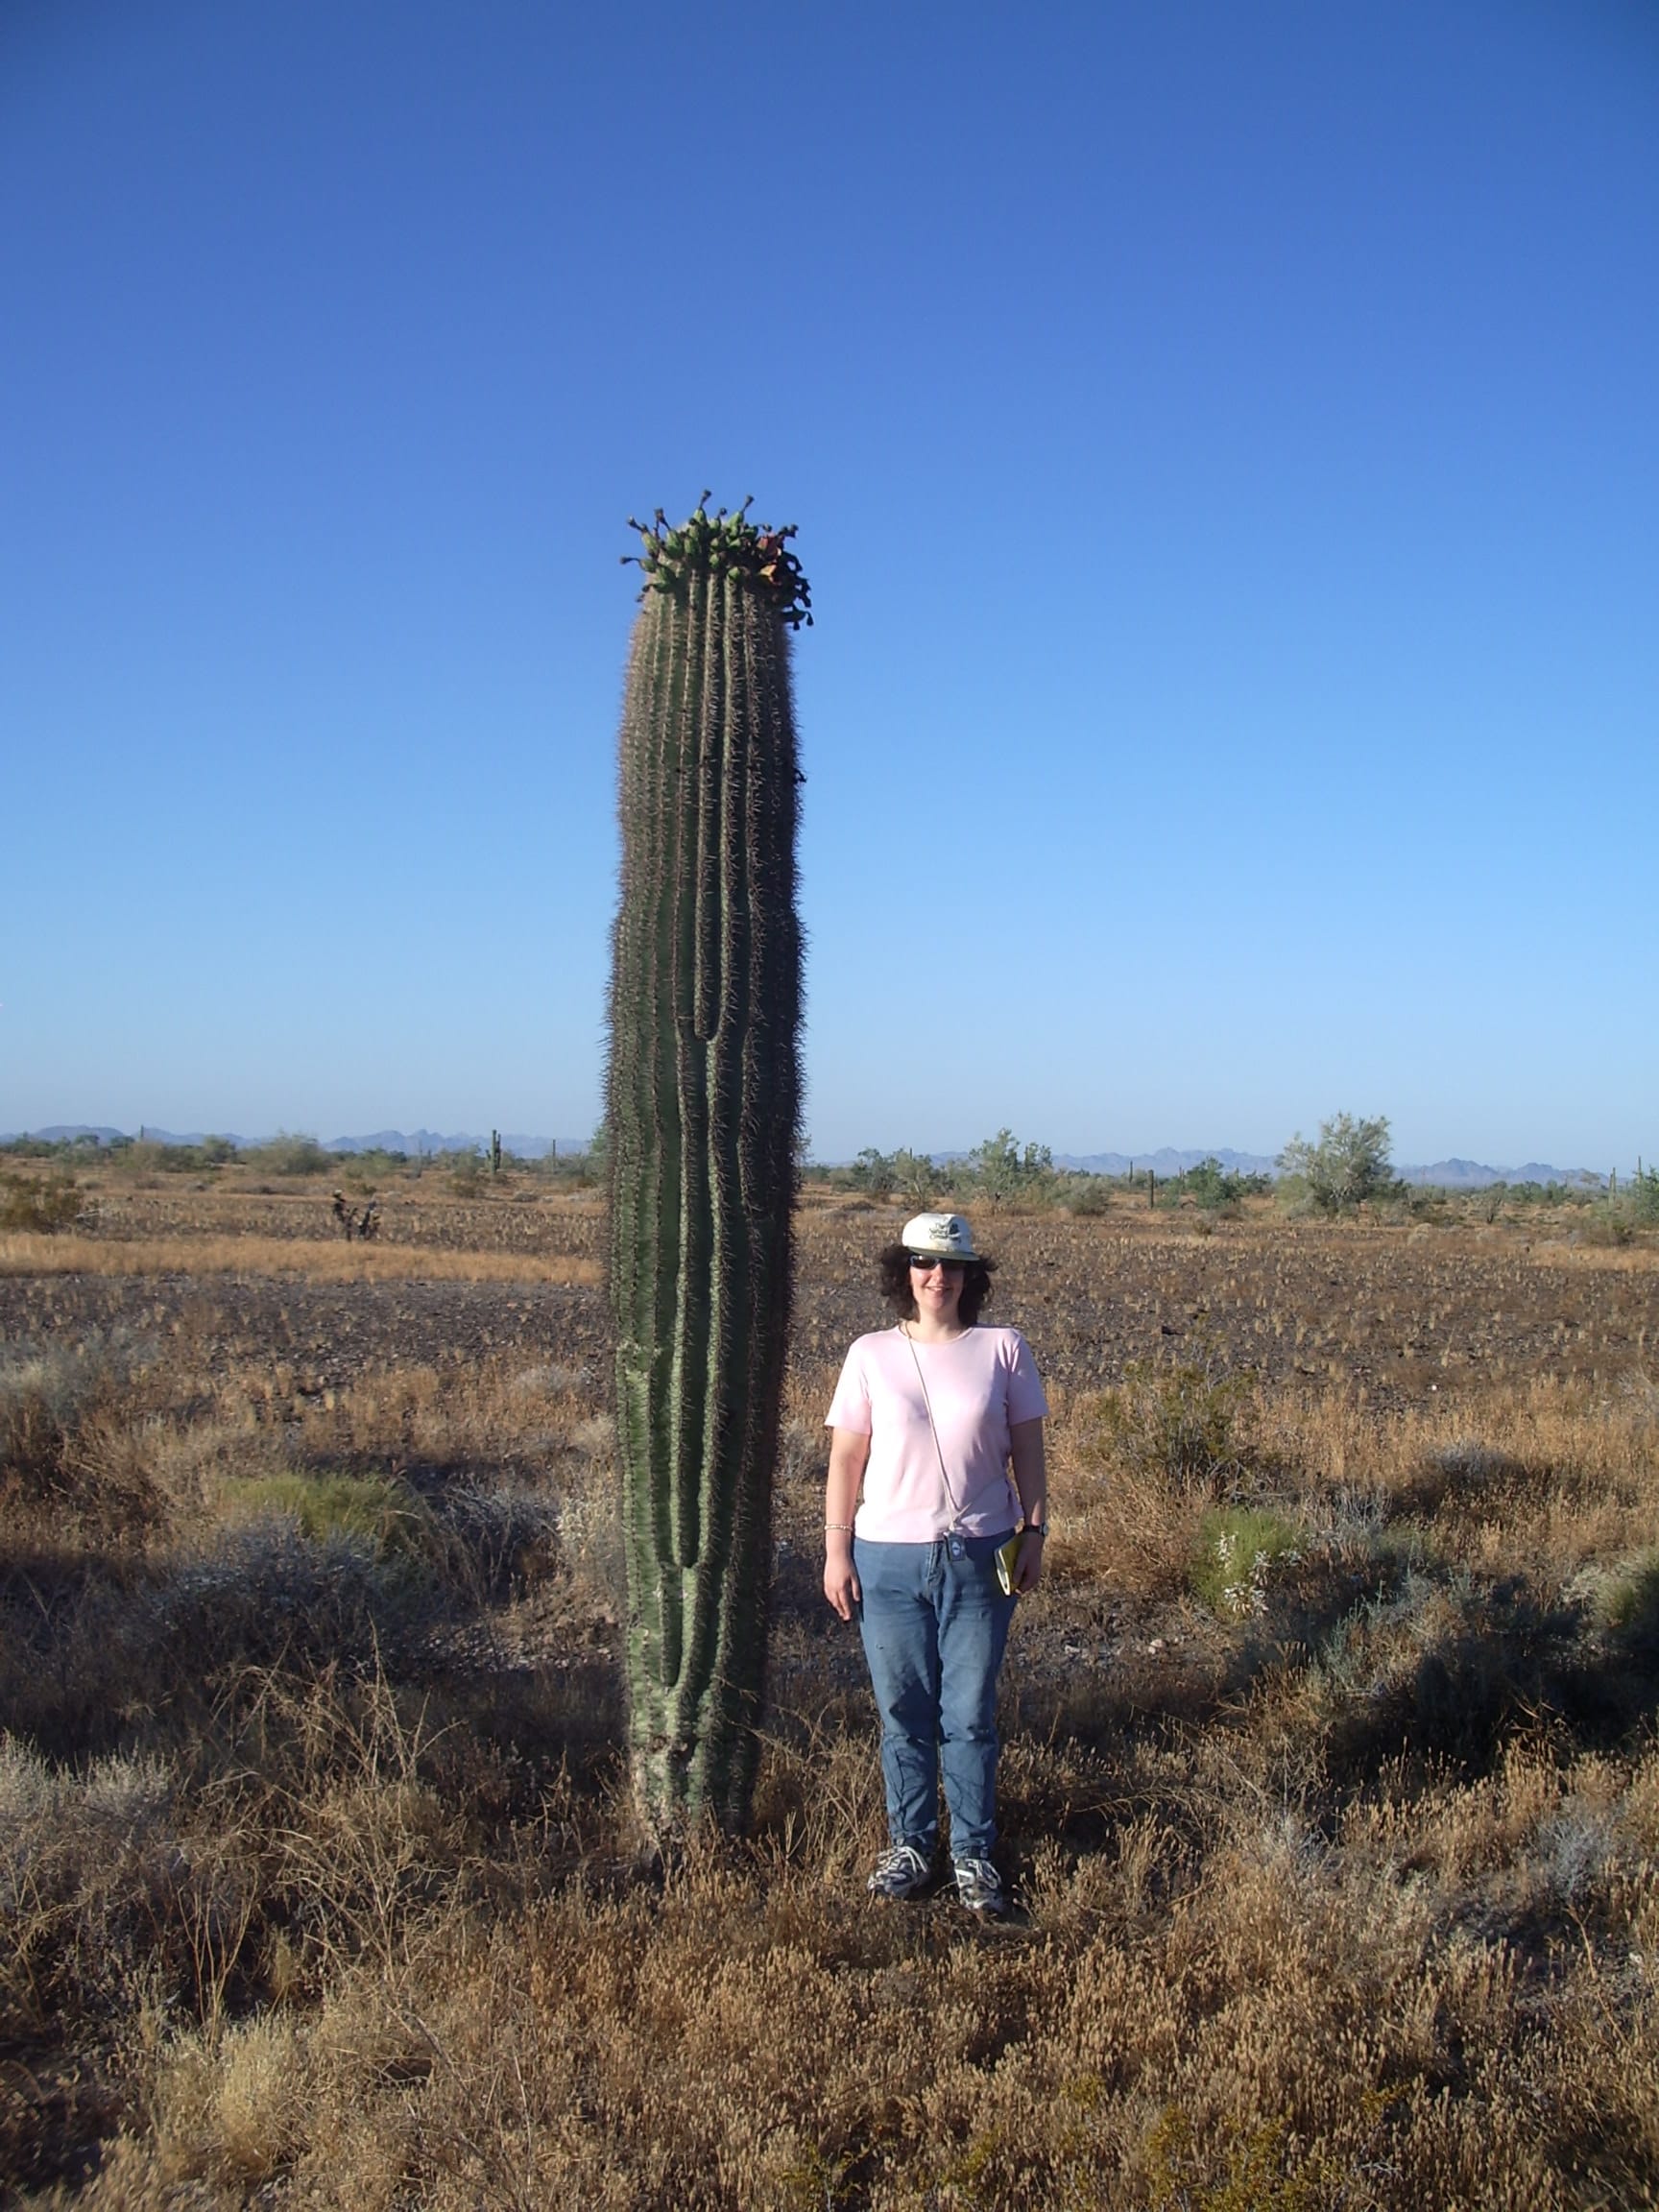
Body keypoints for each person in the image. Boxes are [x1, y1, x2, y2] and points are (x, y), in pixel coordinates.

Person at [823, 1210, 1049, 1915]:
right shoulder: (869, 1354)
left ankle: (974, 1855)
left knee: (970, 1714)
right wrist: (835, 1549)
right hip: (886, 1558)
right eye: (923, 1263)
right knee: (903, 1713)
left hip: (979, 1556)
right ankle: (912, 1846)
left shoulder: (1004, 1349)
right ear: (904, 1273)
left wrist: (1035, 1532)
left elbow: (1030, 1454)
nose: (937, 1277)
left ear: (970, 1276)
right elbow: (846, 1459)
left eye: (951, 1265)